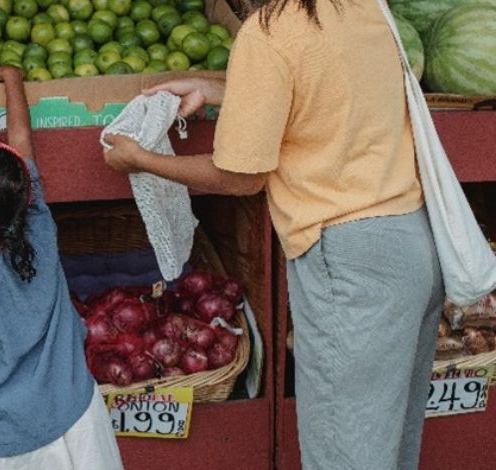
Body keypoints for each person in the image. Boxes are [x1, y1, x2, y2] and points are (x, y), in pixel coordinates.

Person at [103, 1, 443, 469]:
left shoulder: (269, 33)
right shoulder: (362, 7)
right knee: (390, 448)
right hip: (411, 246)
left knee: (345, 456)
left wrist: (142, 160)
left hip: (349, 262)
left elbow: (242, 176)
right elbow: (318, 90)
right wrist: (215, 86)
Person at [0, 65, 124, 470]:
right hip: (79, 411)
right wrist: (14, 82)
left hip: (19, 438)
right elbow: (22, 146)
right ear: (24, 195)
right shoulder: (39, 225)